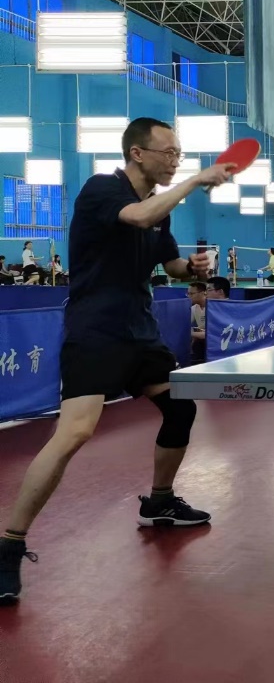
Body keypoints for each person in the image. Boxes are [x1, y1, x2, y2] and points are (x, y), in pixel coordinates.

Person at [0, 116, 234, 605]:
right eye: (169, 152)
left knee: (180, 406)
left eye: (180, 155)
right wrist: (196, 181)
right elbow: (138, 218)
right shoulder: (102, 190)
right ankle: (8, 544)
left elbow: (169, 264)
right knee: (75, 432)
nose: (175, 161)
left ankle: (160, 502)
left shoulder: (160, 210)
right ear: (137, 153)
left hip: (140, 331)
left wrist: (191, 268)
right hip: (96, 329)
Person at [188, 281, 207, 363]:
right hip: (200, 340)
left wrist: (191, 333)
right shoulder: (194, 308)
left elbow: (210, 334)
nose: (189, 296)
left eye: (191, 294)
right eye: (188, 294)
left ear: (202, 293)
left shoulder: (213, 307)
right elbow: (186, 325)